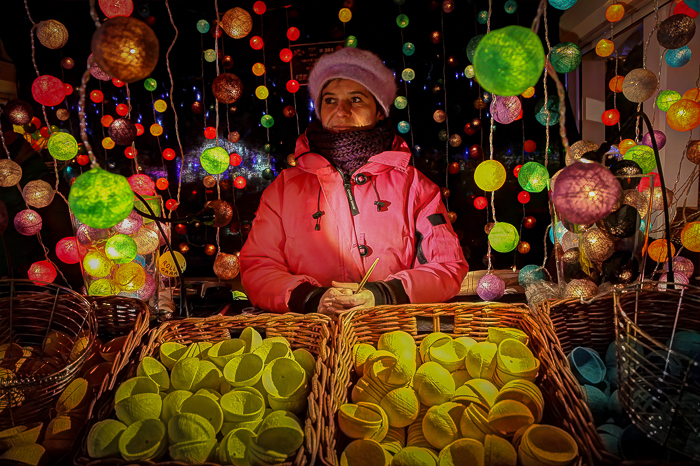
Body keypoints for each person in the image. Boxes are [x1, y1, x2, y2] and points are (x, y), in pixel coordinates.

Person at [240, 47, 468, 315]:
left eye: (356, 99)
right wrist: (312, 298)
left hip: (391, 333)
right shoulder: (283, 189)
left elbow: (447, 265)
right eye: (330, 100)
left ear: (380, 110)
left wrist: (384, 295)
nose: (342, 111)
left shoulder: (414, 187)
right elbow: (259, 265)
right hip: (309, 337)